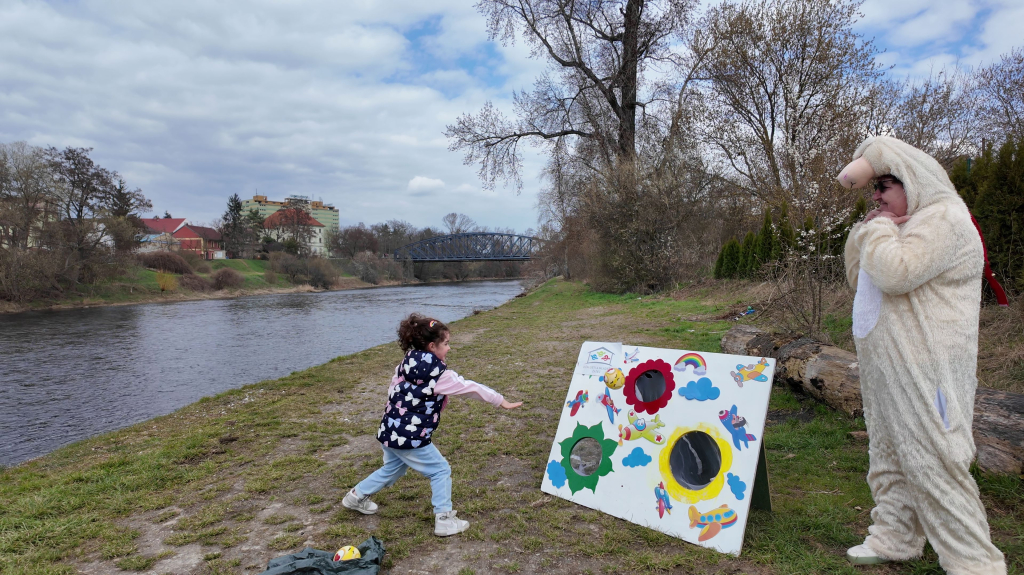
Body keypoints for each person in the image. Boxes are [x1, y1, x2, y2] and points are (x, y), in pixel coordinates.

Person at [838, 136, 1006, 574]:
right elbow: (860, 279)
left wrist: (877, 230)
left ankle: (975, 564)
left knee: (935, 460)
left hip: (926, 366)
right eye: (874, 188)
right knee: (890, 454)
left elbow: (896, 273)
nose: (876, 196)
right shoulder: (900, 222)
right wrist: (867, 231)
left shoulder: (945, 218)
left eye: (885, 185)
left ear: (912, 179)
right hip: (886, 364)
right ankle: (895, 537)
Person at [342, 314, 522, 537]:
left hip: (389, 429)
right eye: (446, 344)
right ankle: (445, 519)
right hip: (411, 437)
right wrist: (499, 400)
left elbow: (392, 391)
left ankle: (355, 496)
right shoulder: (439, 375)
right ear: (431, 346)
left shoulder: (405, 363)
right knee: (440, 470)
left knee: (393, 468)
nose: (449, 348)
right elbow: (470, 387)